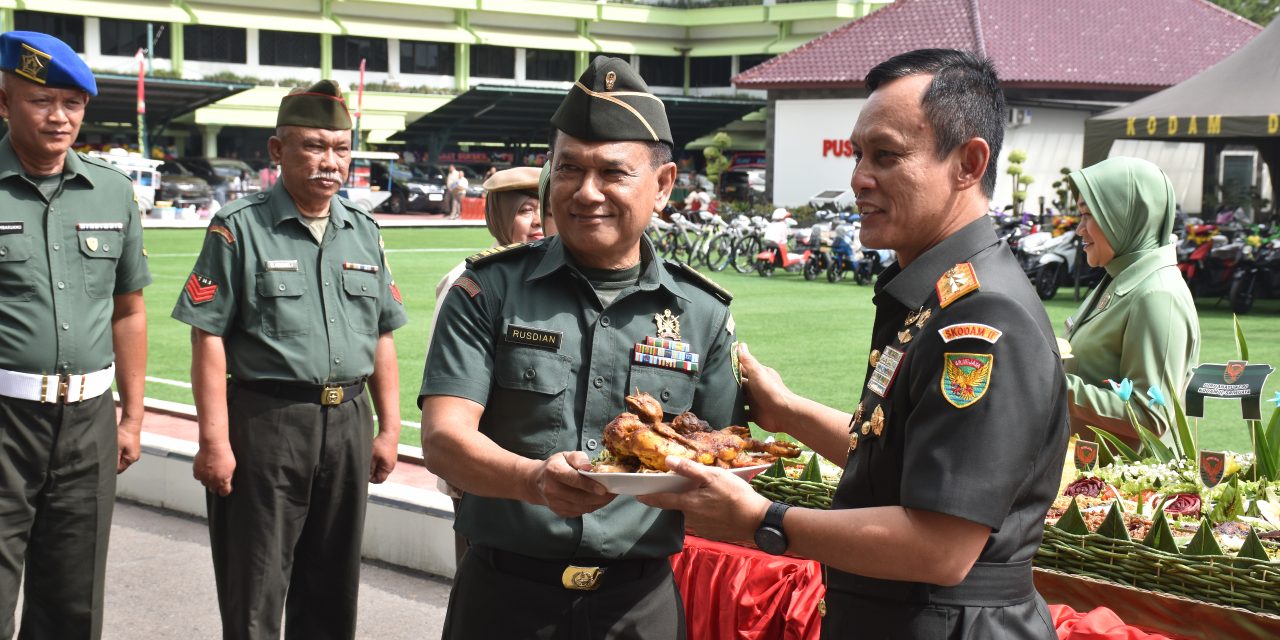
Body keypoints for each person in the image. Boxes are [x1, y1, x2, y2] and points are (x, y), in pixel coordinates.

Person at [640, 49, 1069, 639]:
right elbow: (900, 461)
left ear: (968, 162)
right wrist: (787, 412)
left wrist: (764, 519)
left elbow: (940, 547)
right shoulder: (936, 294)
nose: (859, 178)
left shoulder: (982, 317)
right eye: (858, 154)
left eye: (887, 156)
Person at [420, 55, 745, 639]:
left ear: (664, 186)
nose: (585, 192)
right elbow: (444, 441)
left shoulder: (702, 314)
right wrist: (532, 481)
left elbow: (720, 454)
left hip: (638, 606)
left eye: (612, 173)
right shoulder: (486, 290)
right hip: (504, 601)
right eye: (568, 168)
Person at [171, 79, 408, 640]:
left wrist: (390, 428)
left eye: (341, 148)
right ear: (278, 151)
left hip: (348, 421)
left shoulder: (364, 232)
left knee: (332, 588)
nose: (330, 161)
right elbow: (207, 337)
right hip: (267, 423)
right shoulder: (239, 227)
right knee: (255, 588)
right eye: (313, 146)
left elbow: (383, 336)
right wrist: (214, 441)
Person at [0, 31, 151, 639]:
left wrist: (133, 417)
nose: (60, 117)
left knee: (74, 601)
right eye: (42, 101)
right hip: (4, 419)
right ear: (4, 101)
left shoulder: (113, 190)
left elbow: (130, 310)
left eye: (74, 103)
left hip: (88, 421)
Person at [1063, 156, 1199, 446]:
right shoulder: (1120, 276)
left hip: (1130, 488)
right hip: (1091, 479)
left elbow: (1150, 415)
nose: (1079, 229)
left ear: (1123, 216)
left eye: (1089, 215)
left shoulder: (1157, 295)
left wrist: (1050, 384)